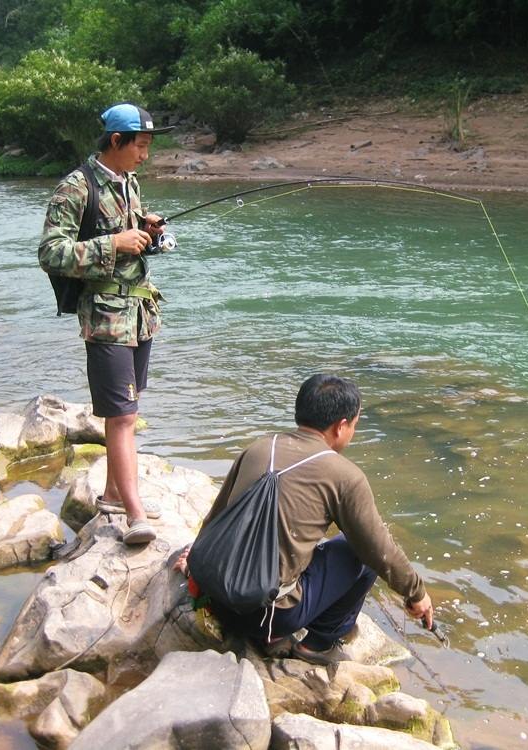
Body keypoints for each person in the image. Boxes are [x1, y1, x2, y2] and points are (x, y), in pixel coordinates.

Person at [182, 373, 433, 664]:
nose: (352, 431)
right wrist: (416, 593)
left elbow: (215, 517)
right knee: (360, 553)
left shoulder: (259, 447)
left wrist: (192, 564)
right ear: (340, 427)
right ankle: (319, 642)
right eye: (354, 425)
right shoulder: (344, 476)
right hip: (267, 616)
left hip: (214, 597)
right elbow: (380, 550)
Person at [38, 103, 174, 545]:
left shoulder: (128, 183)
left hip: (140, 315)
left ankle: (115, 493)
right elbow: (50, 253)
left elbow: (131, 226)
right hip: (105, 320)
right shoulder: (75, 188)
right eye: (140, 145)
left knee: (127, 416)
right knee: (122, 416)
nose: (145, 155)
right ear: (116, 141)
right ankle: (135, 514)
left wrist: (147, 227)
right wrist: (112, 243)